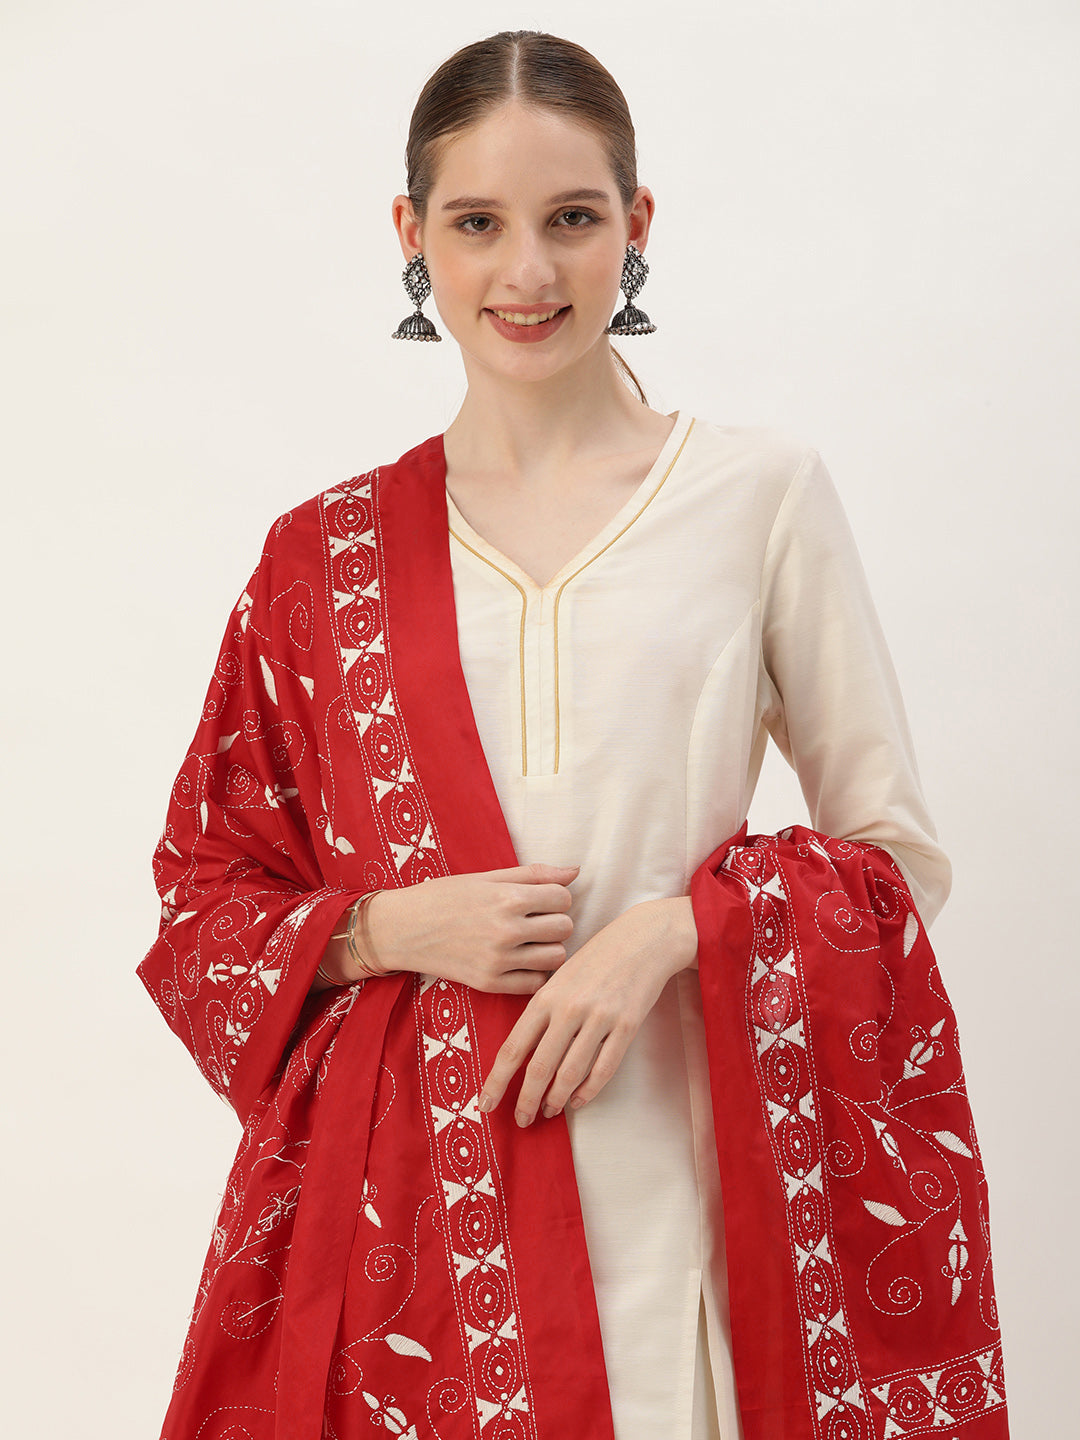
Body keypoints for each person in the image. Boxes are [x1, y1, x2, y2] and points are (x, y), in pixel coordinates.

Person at [138, 30, 1008, 1440]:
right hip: (416, 1245)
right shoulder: (321, 555)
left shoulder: (758, 497)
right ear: (412, 234)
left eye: (573, 219)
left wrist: (668, 933)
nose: (528, 272)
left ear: (637, 224)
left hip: (689, 1198)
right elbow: (203, 901)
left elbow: (896, 860)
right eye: (478, 224)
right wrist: (389, 927)